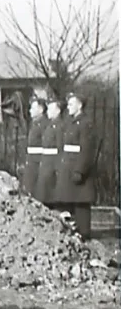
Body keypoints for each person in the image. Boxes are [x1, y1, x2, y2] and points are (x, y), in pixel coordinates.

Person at [54, 91, 97, 237]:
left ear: (79, 105)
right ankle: (74, 232)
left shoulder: (86, 123)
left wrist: (80, 170)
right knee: (69, 202)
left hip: (77, 170)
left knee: (81, 204)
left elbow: (87, 149)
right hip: (68, 168)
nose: (68, 107)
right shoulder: (70, 122)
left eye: (71, 104)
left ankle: (84, 234)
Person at [35, 96, 63, 207]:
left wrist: (57, 168)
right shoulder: (50, 125)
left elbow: (60, 148)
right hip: (46, 163)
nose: (48, 112)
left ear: (58, 111)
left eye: (51, 109)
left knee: (49, 196)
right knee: (43, 194)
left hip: (52, 165)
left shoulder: (59, 126)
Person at [20, 97, 46, 199]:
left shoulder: (43, 124)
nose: (30, 110)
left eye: (33, 108)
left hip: (38, 162)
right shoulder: (35, 123)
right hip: (32, 161)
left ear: (41, 110)